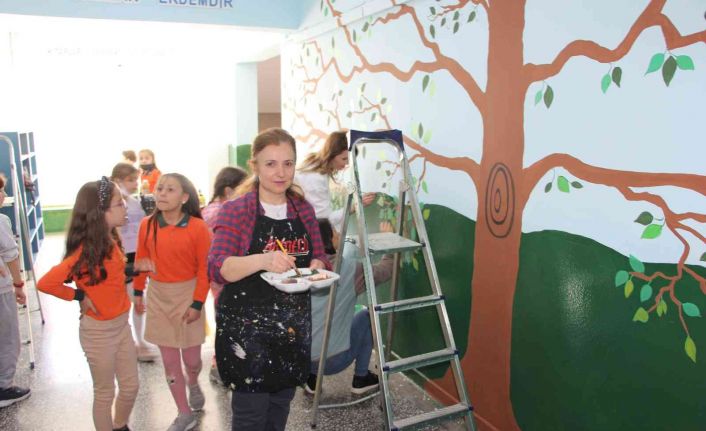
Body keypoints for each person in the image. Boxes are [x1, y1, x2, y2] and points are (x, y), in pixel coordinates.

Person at [208, 127, 330, 431]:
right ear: (255, 166)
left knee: (279, 409)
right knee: (251, 417)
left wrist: (318, 264)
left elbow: (320, 256)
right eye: (271, 164)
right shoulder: (237, 210)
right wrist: (263, 260)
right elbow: (218, 267)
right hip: (247, 332)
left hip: (291, 329)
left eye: (288, 163)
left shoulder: (303, 209)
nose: (281, 172)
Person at [37, 177, 138, 431]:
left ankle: (120, 425)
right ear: (100, 213)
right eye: (119, 203)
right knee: (105, 393)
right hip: (98, 333)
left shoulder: (111, 239)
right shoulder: (83, 251)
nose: (125, 206)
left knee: (130, 387)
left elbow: (112, 274)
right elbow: (46, 283)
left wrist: (136, 268)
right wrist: (79, 296)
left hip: (122, 326)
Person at [132, 173, 211, 431]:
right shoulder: (147, 225)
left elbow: (204, 270)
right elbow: (142, 260)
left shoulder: (198, 228)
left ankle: (193, 381)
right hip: (158, 297)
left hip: (188, 295)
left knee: (192, 360)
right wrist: (138, 292)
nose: (162, 193)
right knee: (169, 362)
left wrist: (197, 304)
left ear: (184, 197)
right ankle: (184, 412)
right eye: (159, 189)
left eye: (170, 189)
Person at [306, 220, 390, 396]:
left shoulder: (301, 268)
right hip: (333, 362)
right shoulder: (350, 269)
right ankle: (361, 378)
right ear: (329, 240)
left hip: (301, 359)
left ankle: (311, 379)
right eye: (335, 232)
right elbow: (385, 271)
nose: (339, 234)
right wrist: (388, 244)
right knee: (367, 316)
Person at [201, 166, 247, 384]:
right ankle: (221, 365)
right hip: (225, 276)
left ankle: (221, 364)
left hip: (219, 277)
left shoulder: (208, 210)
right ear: (229, 191)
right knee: (228, 321)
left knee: (225, 319)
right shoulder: (223, 212)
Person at [110, 163, 158, 362]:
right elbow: (114, 230)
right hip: (121, 257)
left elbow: (142, 227)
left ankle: (140, 342)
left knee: (139, 300)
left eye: (135, 180)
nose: (135, 184)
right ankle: (125, 343)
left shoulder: (134, 202)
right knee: (121, 303)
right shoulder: (114, 204)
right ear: (117, 181)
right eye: (130, 180)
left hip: (135, 255)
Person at [295, 130, 375, 234]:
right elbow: (324, 220)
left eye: (348, 160)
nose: (346, 164)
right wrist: (355, 206)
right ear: (331, 155)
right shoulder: (316, 178)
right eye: (344, 159)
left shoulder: (313, 165)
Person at [0, 174, 31, 408]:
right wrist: (19, 284)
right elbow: (11, 255)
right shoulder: (1, 221)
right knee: (8, 338)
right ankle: (4, 387)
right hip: (2, 291)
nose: (3, 194)